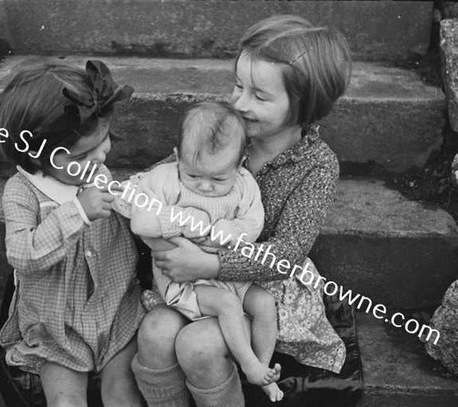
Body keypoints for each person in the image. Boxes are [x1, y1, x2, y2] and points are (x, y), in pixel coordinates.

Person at [130, 14, 352, 407]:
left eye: (259, 96)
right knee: (154, 332)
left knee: (197, 346)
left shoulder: (316, 164)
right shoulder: (226, 130)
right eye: (238, 86)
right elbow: (169, 176)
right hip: (191, 281)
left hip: (263, 287)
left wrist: (213, 266)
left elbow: (288, 251)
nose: (239, 102)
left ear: (304, 106)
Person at [0, 61, 146, 407]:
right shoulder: (22, 191)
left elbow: (124, 210)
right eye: (84, 154)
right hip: (56, 325)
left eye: (104, 140)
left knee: (122, 392)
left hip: (114, 308)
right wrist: (76, 212)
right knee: (64, 400)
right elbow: (20, 252)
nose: (101, 155)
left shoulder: (94, 172)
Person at [129, 101, 283, 401]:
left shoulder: (244, 185)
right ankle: (248, 364)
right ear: (177, 158)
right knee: (226, 304)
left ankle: (261, 367)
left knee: (264, 302)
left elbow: (254, 222)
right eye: (194, 176)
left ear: (239, 165)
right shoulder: (163, 180)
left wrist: (234, 232)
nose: (206, 187)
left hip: (230, 271)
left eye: (218, 179)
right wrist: (181, 222)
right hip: (185, 282)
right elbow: (141, 221)